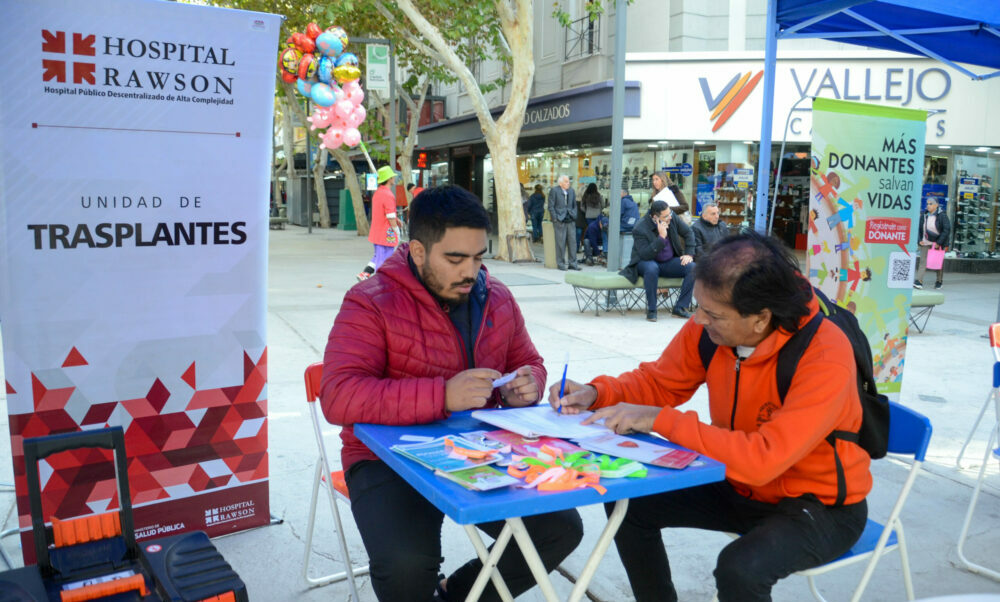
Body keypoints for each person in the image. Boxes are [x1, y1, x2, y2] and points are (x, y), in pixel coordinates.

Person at [550, 230, 871, 602]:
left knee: (741, 568)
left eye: (712, 313)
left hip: (818, 504)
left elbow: (763, 459)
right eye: (699, 306)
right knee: (629, 503)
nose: (698, 319)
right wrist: (596, 393)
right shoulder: (712, 327)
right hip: (737, 485)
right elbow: (659, 382)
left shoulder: (824, 354)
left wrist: (660, 420)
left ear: (760, 318)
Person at [322, 186, 583, 602]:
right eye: (456, 259)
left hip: (482, 449)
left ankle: (457, 595)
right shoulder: (369, 301)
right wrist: (441, 395)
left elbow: (529, 361)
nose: (471, 271)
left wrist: (527, 383)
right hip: (385, 459)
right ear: (419, 252)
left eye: (479, 257)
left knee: (559, 529)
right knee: (406, 566)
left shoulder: (495, 296)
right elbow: (338, 396)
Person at [620, 200, 696, 321]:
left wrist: (689, 254)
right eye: (665, 216)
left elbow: (688, 232)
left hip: (668, 262)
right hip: (645, 262)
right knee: (652, 268)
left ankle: (680, 308)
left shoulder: (671, 218)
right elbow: (645, 255)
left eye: (670, 213)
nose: (669, 217)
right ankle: (652, 310)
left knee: (692, 267)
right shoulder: (640, 227)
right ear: (655, 217)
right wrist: (661, 237)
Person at [357, 166, 402, 281]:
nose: (394, 178)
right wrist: (396, 230)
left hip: (377, 232)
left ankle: (365, 274)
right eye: (392, 176)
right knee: (385, 259)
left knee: (378, 256)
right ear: (389, 179)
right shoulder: (388, 195)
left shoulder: (378, 193)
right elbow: (390, 216)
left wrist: (396, 220)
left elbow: (384, 213)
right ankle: (381, 281)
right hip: (387, 233)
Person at [547, 175, 581, 270]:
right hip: (560, 220)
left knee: (572, 243)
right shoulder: (554, 191)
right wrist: (555, 219)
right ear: (560, 183)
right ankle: (561, 264)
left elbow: (574, 205)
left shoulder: (572, 191)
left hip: (570, 220)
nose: (568, 183)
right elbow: (551, 206)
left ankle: (573, 264)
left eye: (568, 181)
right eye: (566, 181)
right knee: (560, 243)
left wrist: (574, 215)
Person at [915, 197, 950, 289]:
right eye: (927, 204)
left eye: (930, 204)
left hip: (937, 243)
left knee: (938, 263)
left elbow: (946, 230)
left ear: (936, 205)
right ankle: (919, 281)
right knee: (923, 262)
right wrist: (919, 240)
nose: (928, 206)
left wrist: (939, 242)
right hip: (925, 242)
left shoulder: (942, 215)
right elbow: (918, 229)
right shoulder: (924, 215)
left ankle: (939, 281)